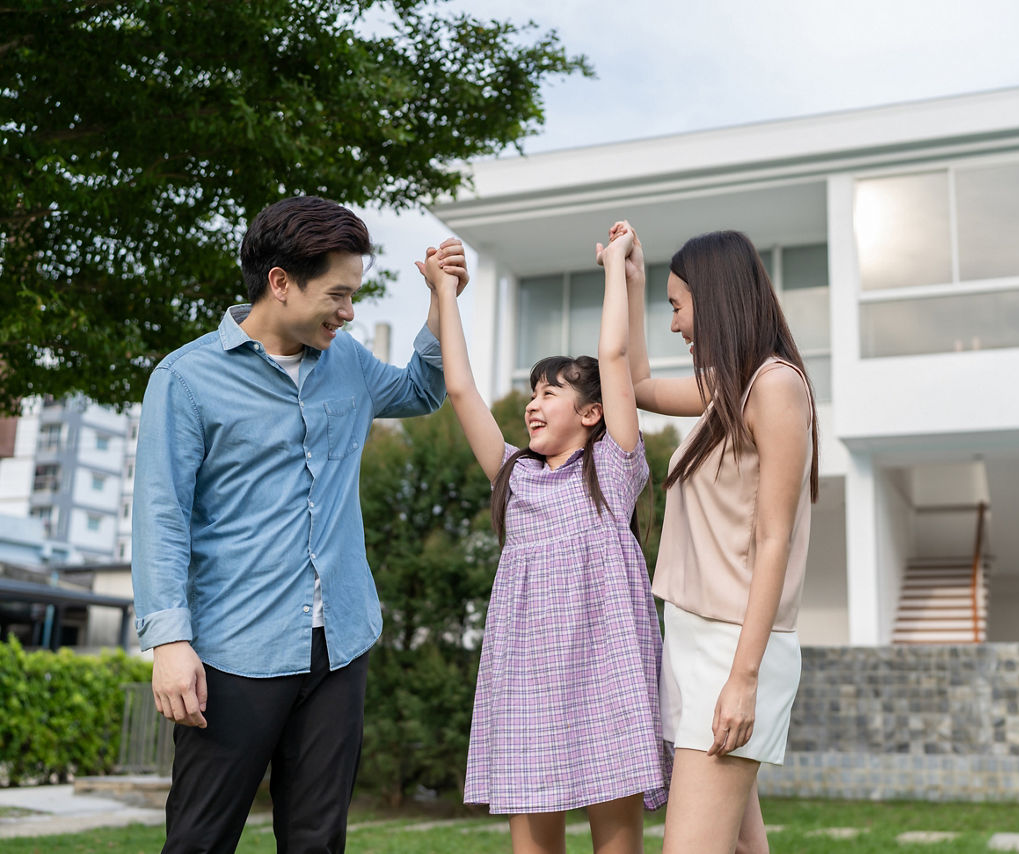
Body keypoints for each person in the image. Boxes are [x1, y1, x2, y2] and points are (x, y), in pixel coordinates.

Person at [131, 195, 468, 853]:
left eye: (353, 295)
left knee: (317, 840)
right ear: (280, 283)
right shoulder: (187, 378)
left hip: (338, 645)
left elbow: (422, 392)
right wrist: (168, 642)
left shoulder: (345, 362)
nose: (349, 312)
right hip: (233, 652)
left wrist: (441, 300)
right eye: (337, 295)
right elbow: (161, 517)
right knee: (200, 839)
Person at [417, 223, 666, 854]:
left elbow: (613, 360)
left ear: (591, 414)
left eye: (549, 394)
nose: (532, 404)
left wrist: (617, 270)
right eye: (531, 393)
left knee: (617, 842)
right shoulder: (514, 477)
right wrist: (445, 294)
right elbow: (461, 388)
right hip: (526, 675)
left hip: (605, 675)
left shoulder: (612, 472)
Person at [616, 225, 817, 854]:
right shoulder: (726, 388)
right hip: (694, 637)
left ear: (715, 296)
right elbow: (638, 386)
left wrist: (744, 678)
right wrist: (630, 280)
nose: (675, 324)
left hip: (734, 647)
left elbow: (775, 539)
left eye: (676, 305)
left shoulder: (775, 386)